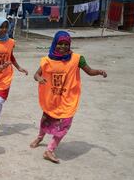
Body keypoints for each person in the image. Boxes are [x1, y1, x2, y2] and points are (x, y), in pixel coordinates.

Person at [30, 31, 107, 163]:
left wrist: (98, 72)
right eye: (60, 43)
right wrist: (39, 78)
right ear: (54, 43)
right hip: (52, 98)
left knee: (65, 125)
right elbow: (36, 74)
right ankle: (40, 137)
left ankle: (49, 150)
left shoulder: (77, 59)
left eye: (66, 44)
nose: (63, 47)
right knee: (46, 119)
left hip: (68, 99)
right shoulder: (47, 60)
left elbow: (89, 71)